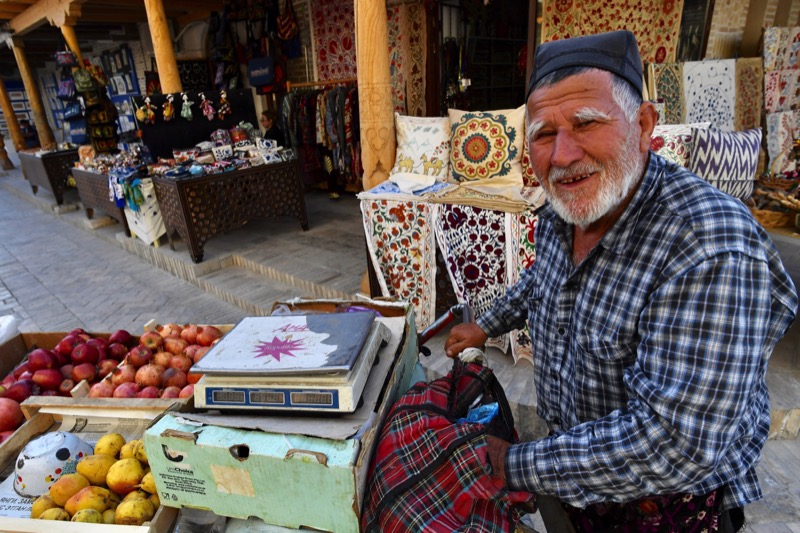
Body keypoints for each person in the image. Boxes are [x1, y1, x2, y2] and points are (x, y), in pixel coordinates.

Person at [445, 30, 798, 532]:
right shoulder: (567, 209)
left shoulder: (709, 247)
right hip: (578, 478)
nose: (563, 155)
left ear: (643, 124)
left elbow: (675, 443)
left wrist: (512, 464)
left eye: (587, 123)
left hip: (665, 507)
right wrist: (486, 325)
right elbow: (543, 281)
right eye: (544, 134)